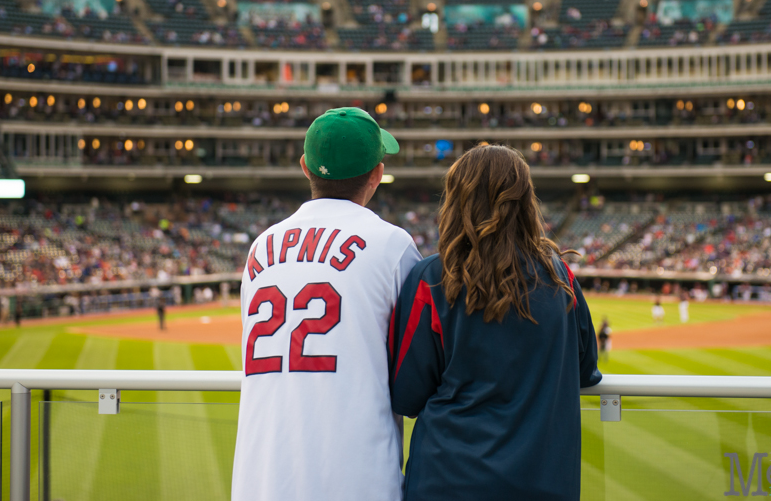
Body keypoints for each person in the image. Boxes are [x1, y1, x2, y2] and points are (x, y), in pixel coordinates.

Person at [391, 145, 601, 501]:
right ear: (525, 201)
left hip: (447, 479)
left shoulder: (431, 277)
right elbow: (585, 371)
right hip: (543, 480)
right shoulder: (560, 276)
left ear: (456, 200)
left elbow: (407, 394)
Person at [232, 107, 421, 501]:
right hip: (358, 478)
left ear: (305, 166)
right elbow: (417, 366)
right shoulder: (392, 244)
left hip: (259, 478)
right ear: (376, 174)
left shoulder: (260, 246)